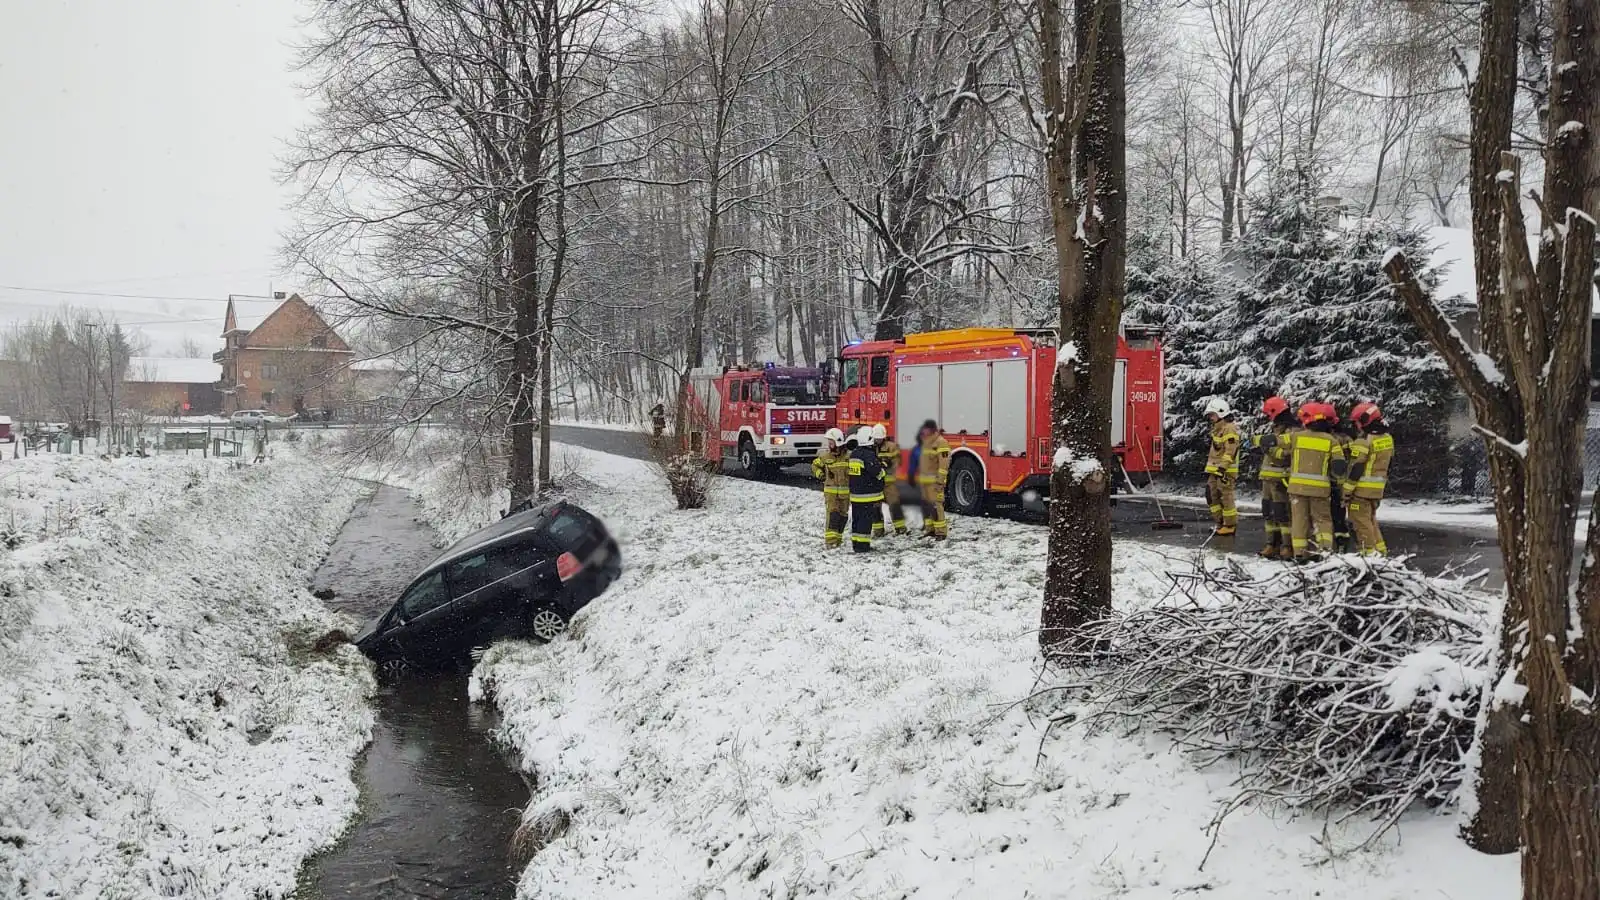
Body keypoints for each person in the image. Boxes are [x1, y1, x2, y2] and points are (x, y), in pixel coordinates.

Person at [1284, 402, 1345, 561]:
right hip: (1320, 490)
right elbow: (1339, 465)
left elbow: (1274, 441)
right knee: (1323, 521)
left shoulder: (1296, 437)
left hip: (1297, 489)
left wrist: (1256, 441)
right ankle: (1324, 552)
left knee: (1299, 522)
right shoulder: (1331, 440)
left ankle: (1300, 554)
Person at [1343, 402, 1395, 555]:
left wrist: (1347, 490)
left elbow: (1356, 467)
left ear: (1365, 420)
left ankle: (1369, 555)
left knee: (1361, 524)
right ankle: (1381, 552)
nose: (1357, 426)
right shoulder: (1387, 438)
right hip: (1377, 490)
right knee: (1371, 522)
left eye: (1358, 422)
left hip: (1361, 491)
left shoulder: (1364, 440)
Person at [1254, 395, 1295, 560]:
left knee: (1282, 514)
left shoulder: (1292, 431)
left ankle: (1286, 546)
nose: (1267, 418)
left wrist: (1270, 450)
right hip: (1267, 480)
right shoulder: (1276, 429)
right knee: (1268, 512)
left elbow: (1288, 454)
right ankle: (1271, 544)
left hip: (1281, 480)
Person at [1203, 398, 1241, 536]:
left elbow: (1230, 450)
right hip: (1216, 471)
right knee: (1211, 495)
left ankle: (1229, 525)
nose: (1211, 418)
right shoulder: (1219, 429)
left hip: (1225, 472)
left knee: (1225, 496)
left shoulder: (1229, 428)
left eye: (1212, 415)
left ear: (1221, 413)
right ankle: (1220, 523)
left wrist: (1222, 468)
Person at [846, 426, 886, 552]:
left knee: (857, 520)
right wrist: (883, 470)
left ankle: (857, 544)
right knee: (865, 521)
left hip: (856, 495)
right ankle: (863, 546)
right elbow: (877, 472)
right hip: (867, 495)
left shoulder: (854, 454)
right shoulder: (868, 455)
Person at [811, 427, 850, 549]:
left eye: (831, 442)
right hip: (831, 493)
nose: (829, 444)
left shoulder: (848, 457)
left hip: (845, 494)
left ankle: (838, 539)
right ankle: (830, 541)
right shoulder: (825, 457)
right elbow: (814, 465)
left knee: (843, 516)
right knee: (833, 515)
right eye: (829, 441)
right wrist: (820, 475)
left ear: (838, 443)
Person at [914, 419, 951, 540]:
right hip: (925, 482)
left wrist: (940, 481)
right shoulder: (926, 442)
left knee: (936, 507)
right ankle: (930, 529)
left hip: (935, 482)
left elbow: (943, 465)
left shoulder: (941, 443)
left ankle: (941, 532)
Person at [871, 423, 907, 536]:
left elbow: (898, 462)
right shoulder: (871, 447)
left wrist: (888, 465)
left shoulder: (891, 447)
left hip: (889, 483)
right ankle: (878, 530)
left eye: (879, 438)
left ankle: (900, 528)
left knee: (894, 505)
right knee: (875, 507)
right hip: (876, 483)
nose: (877, 440)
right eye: (876, 438)